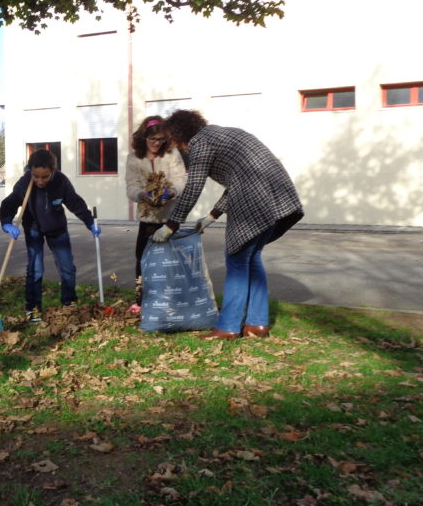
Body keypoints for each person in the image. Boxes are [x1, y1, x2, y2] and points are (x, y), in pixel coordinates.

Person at [152, 109, 303, 339]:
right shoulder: (223, 135)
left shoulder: (200, 142)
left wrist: (171, 225)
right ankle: (257, 324)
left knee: (236, 260)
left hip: (254, 199)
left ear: (179, 135)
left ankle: (228, 327)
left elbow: (194, 186)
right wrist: (212, 215)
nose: (178, 147)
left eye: (174, 141)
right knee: (251, 259)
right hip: (278, 195)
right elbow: (238, 180)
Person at [0, 149, 100, 323]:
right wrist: (6, 222)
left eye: (44, 176)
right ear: (30, 171)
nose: (39, 181)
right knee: (35, 269)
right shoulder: (24, 184)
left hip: (57, 229)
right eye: (36, 176)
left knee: (67, 268)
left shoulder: (61, 182)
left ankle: (69, 303)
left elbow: (75, 202)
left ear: (53, 170)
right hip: (33, 229)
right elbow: (9, 203)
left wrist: (89, 221)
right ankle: (33, 308)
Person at [124, 115, 188, 315]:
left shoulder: (172, 154)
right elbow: (131, 186)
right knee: (142, 259)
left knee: (170, 260)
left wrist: (172, 192)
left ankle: (172, 299)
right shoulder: (134, 159)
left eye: (160, 140)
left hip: (169, 218)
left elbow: (181, 180)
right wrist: (142, 195)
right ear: (143, 138)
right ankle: (141, 300)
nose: (156, 144)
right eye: (152, 139)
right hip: (147, 218)